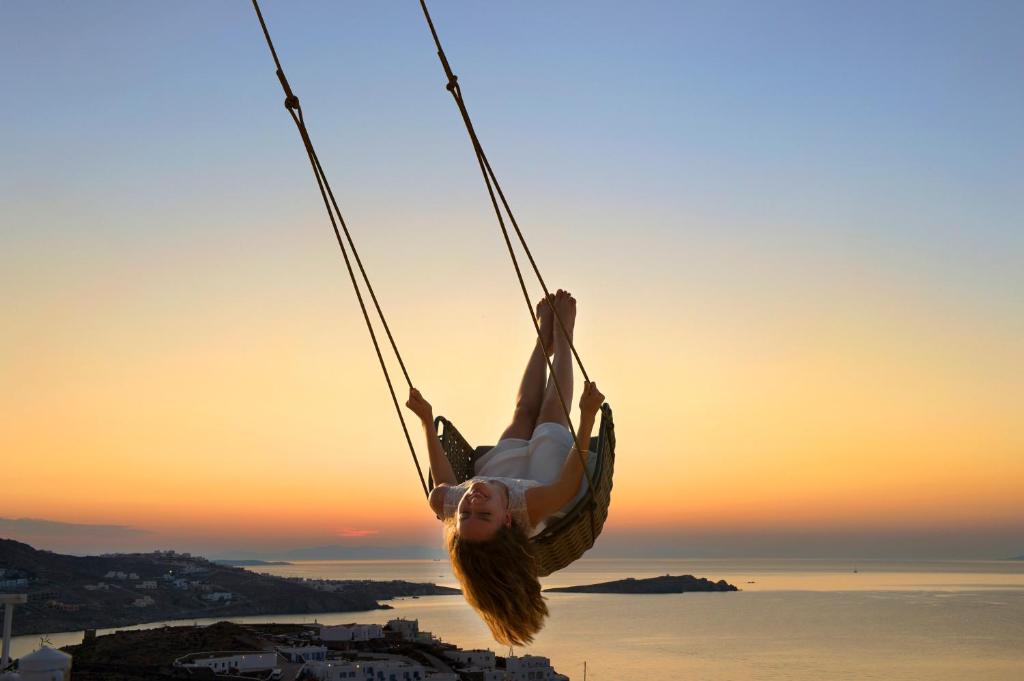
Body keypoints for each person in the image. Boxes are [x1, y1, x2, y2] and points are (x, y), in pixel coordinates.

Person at [405, 289, 604, 647]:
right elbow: (566, 486)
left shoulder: (450, 506)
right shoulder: (527, 508)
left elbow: (443, 476)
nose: (473, 501)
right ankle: (564, 336)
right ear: (507, 520)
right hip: (543, 476)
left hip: (501, 468)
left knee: (523, 411)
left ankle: (543, 340)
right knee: (550, 412)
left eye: (468, 514)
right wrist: (586, 419)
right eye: (484, 514)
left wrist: (425, 420)